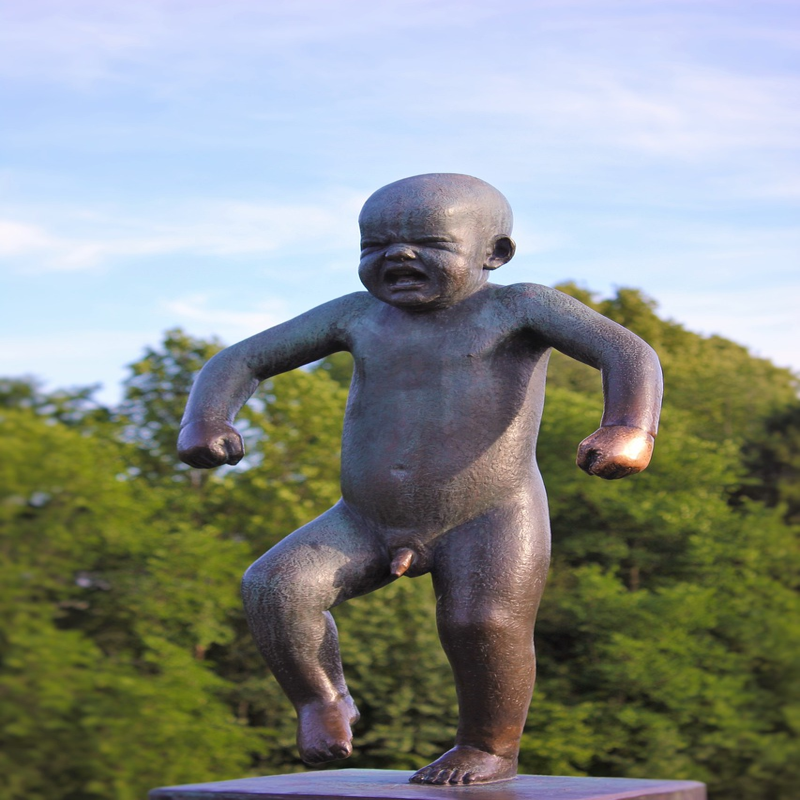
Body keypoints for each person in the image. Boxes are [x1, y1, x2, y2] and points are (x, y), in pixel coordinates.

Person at [178, 173, 663, 785]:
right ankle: (322, 699)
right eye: (374, 245)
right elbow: (241, 359)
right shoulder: (357, 315)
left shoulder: (520, 307)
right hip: (364, 518)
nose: (399, 254)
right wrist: (207, 417)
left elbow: (627, 352)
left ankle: (489, 747)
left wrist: (628, 427)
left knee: (482, 624)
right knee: (275, 587)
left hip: (489, 514)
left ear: (495, 253)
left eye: (430, 242)